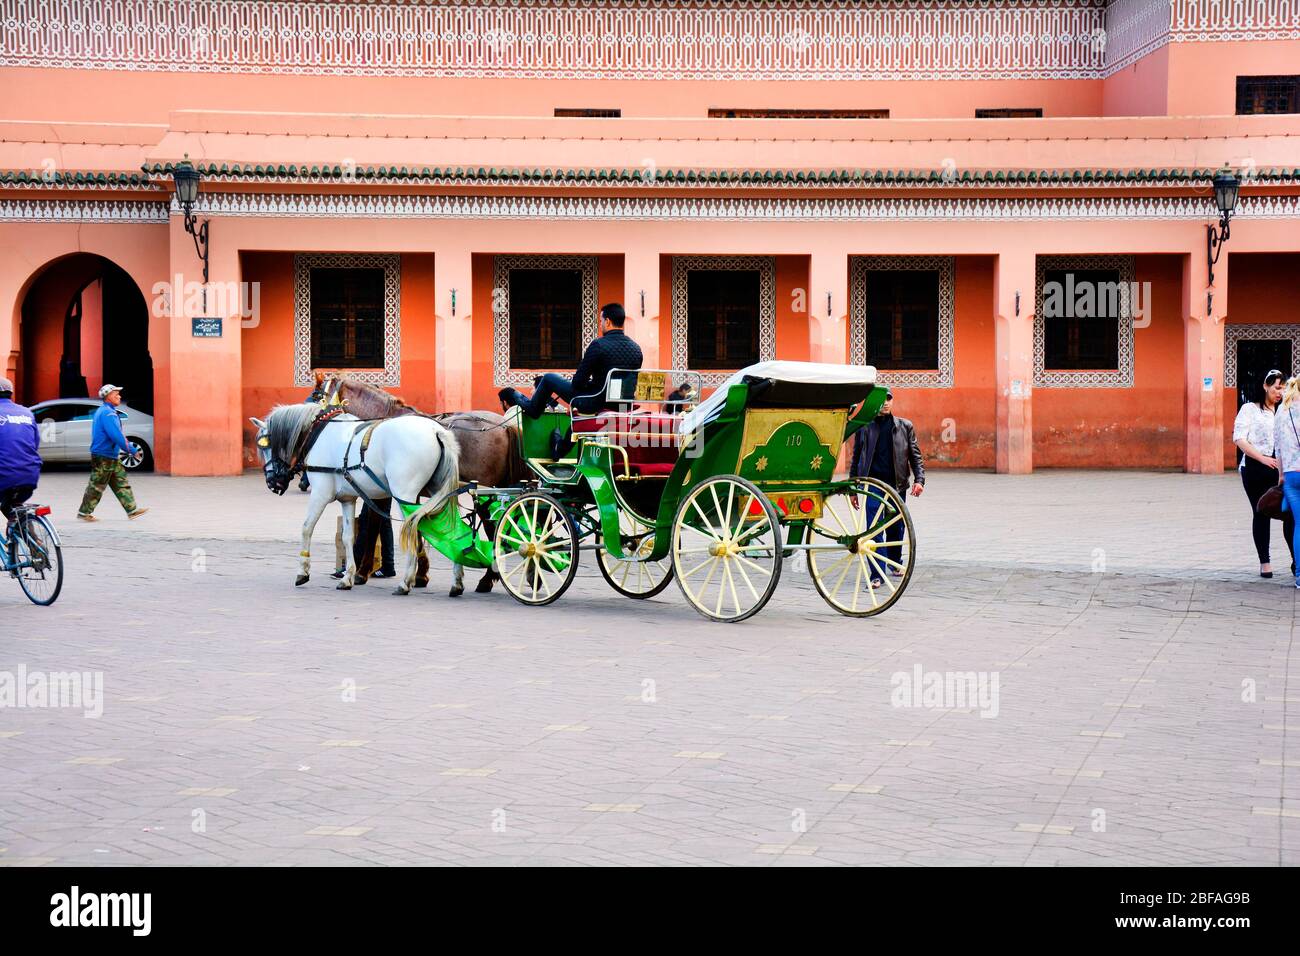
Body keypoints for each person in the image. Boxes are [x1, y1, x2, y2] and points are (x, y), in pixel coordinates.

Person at [498, 302, 643, 417]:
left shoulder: (599, 345)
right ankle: (560, 446)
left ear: (608, 322)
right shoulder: (636, 349)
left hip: (593, 401)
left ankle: (532, 409)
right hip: (622, 404)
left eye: (601, 321)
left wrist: (590, 385)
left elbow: (578, 383)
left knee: (548, 378)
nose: (600, 325)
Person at [849, 389, 925, 588]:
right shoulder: (864, 427)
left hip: (896, 485)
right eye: (881, 400)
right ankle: (877, 573)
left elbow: (915, 456)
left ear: (893, 402)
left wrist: (920, 480)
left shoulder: (904, 426)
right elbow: (856, 458)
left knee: (896, 527)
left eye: (888, 399)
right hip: (873, 485)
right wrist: (852, 488)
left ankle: (894, 561)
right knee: (874, 528)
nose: (885, 403)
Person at [1234, 369, 1293, 578]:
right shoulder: (1250, 409)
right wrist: (1262, 458)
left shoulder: (1285, 411)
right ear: (1265, 386)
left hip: (1281, 468)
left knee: (1290, 515)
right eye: (1277, 387)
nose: (1280, 392)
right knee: (1260, 512)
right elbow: (1240, 439)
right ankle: (1265, 562)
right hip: (1254, 467)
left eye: (1283, 388)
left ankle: (1296, 561)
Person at [76, 384, 147, 522]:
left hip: (109, 455)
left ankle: (132, 510)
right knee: (97, 485)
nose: (119, 396)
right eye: (116, 394)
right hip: (104, 455)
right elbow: (116, 435)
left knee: (121, 482)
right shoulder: (108, 413)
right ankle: (84, 513)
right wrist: (131, 450)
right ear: (108, 397)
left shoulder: (104, 410)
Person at [0, 375, 42, 536]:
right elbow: (35, 443)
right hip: (29, 475)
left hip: (4, 476)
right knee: (12, 507)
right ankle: (36, 547)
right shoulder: (26, 412)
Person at [1275, 377, 1300, 589]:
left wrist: (1281, 475)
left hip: (1291, 474)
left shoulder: (1282, 411)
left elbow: (1279, 445)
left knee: (1298, 525)